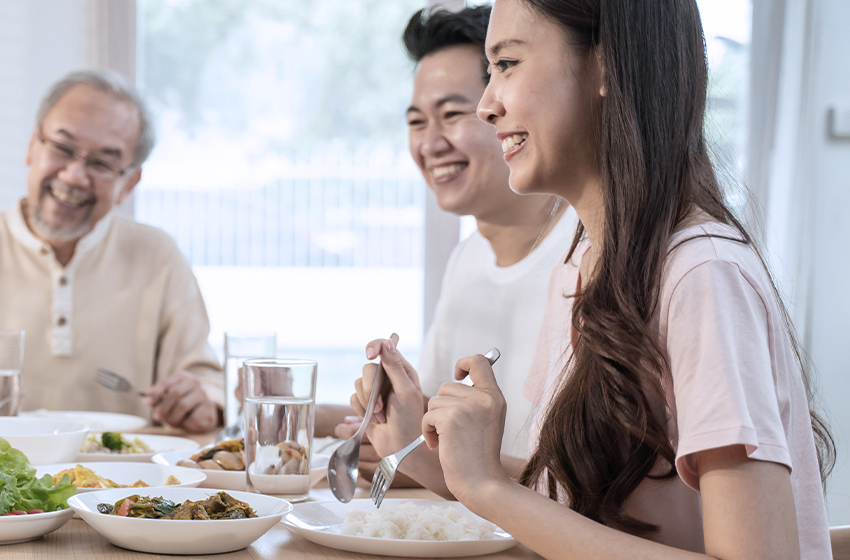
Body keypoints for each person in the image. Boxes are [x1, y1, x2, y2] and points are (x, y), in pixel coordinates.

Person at [353, 0, 836, 557]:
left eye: (506, 64)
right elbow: (575, 503)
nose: (487, 105)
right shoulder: (586, 263)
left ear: (606, 65)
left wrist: (487, 485)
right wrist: (432, 460)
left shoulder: (703, 275)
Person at [0, 70, 223, 432]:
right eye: (62, 149)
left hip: (120, 482)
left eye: (101, 163)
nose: (74, 176)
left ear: (129, 183)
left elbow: (205, 380)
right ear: (32, 145)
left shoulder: (157, 255)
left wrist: (200, 401)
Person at [326, 5, 578, 480]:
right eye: (417, 122)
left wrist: (425, 463)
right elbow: (431, 425)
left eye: (451, 114)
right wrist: (388, 425)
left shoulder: (586, 253)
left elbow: (585, 492)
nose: (430, 143)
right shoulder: (468, 257)